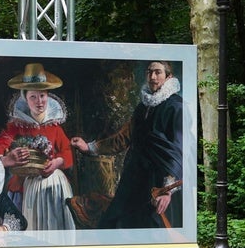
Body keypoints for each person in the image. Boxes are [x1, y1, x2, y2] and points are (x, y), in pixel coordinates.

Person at [70, 61, 183, 229]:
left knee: (154, 228)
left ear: (169, 77)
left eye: (158, 72)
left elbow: (178, 151)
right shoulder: (143, 107)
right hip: (134, 176)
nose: (152, 77)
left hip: (159, 181)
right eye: (149, 72)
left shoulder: (176, 107)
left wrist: (167, 191)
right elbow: (123, 138)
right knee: (114, 223)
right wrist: (89, 147)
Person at [0, 63, 76, 231]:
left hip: (53, 187)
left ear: (48, 96)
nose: (39, 102)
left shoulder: (55, 126)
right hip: (25, 184)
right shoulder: (16, 126)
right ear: (25, 99)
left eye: (42, 96)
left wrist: (57, 162)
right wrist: (7, 159)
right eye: (33, 97)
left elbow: (67, 152)